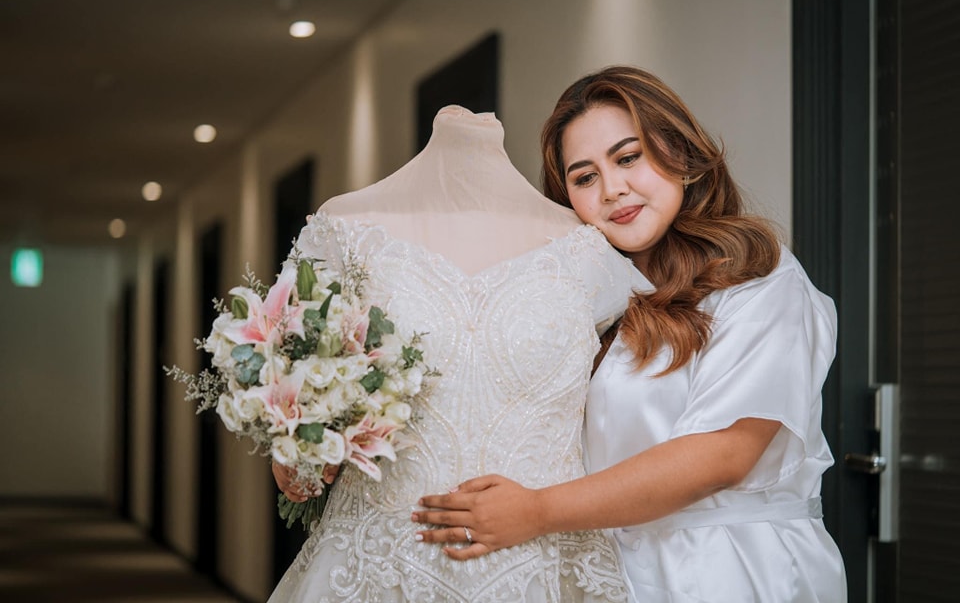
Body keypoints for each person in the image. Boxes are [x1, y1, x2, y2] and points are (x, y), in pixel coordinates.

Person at [413, 67, 848, 602]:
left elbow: (723, 453)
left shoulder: (759, 276)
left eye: (627, 157)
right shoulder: (583, 300)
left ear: (680, 153)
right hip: (610, 571)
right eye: (584, 177)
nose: (612, 189)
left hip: (734, 569)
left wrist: (538, 510)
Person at [267, 105, 650, 602]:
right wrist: (302, 449)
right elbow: (298, 394)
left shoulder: (588, 253)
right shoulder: (345, 232)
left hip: (544, 561)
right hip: (380, 563)